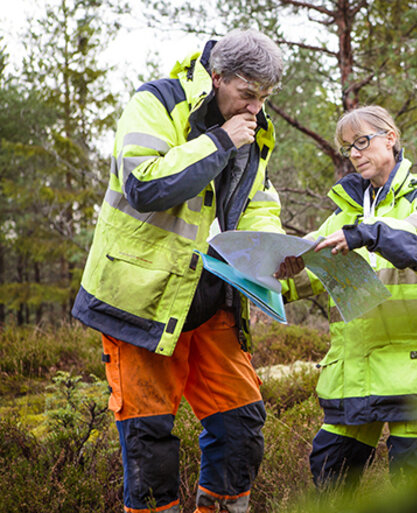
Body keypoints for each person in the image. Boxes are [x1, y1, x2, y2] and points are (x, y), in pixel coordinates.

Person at [71, 28, 284, 513]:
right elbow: (144, 185)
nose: (255, 108)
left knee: (241, 428)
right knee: (150, 445)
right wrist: (218, 142)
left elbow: (256, 201)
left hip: (213, 298)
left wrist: (272, 249)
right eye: (247, 95)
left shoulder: (253, 124)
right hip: (140, 299)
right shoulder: (156, 102)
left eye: (264, 98)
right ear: (217, 77)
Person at [279, 105, 417, 488]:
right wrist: (270, 273)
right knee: (331, 479)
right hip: (352, 372)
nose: (355, 153)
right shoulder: (344, 213)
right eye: (348, 148)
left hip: (412, 370)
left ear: (390, 138)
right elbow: (304, 266)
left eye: (362, 141)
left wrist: (364, 233)